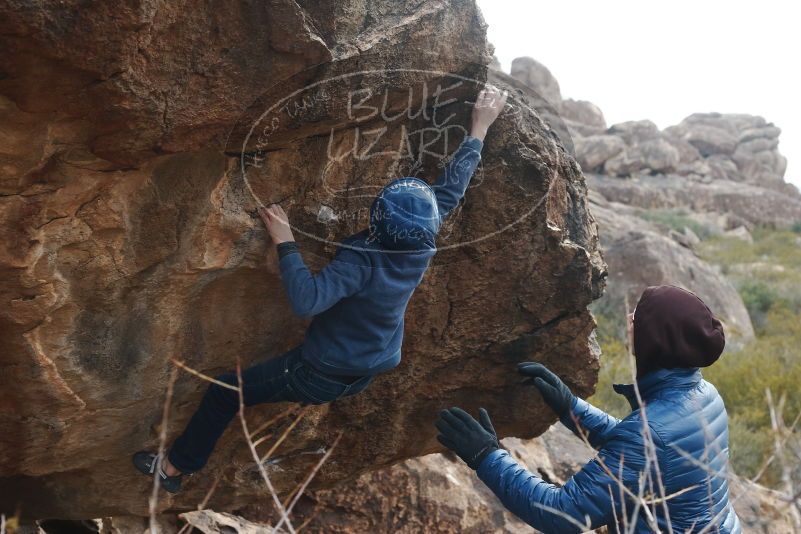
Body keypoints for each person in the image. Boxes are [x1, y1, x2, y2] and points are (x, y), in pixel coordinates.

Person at [133, 86, 509, 493]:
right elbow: (450, 192)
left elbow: (307, 300)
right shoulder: (421, 243)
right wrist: (479, 129)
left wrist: (285, 241)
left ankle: (173, 469)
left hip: (318, 373)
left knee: (225, 392)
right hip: (369, 366)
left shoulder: (360, 261)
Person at [435, 285, 742, 533]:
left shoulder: (653, 432)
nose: (632, 316)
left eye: (640, 316)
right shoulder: (703, 395)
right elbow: (640, 451)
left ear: (659, 339)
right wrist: (570, 406)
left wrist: (487, 456)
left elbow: (562, 513)